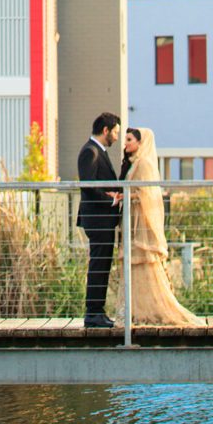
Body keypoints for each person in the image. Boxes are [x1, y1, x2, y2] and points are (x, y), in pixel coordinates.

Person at [114, 126, 204, 327]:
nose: (126, 143)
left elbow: (148, 194)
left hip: (140, 223)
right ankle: (136, 311)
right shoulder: (134, 164)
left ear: (140, 142)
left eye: (129, 139)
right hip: (131, 220)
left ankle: (148, 310)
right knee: (133, 265)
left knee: (143, 263)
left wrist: (127, 195)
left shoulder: (144, 164)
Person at [75, 111, 123, 330]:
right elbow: (88, 185)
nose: (117, 137)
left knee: (102, 265)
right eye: (115, 132)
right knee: (98, 265)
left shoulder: (96, 150)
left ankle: (97, 311)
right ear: (106, 130)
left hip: (102, 220)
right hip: (98, 219)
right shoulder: (90, 151)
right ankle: (93, 313)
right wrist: (110, 198)